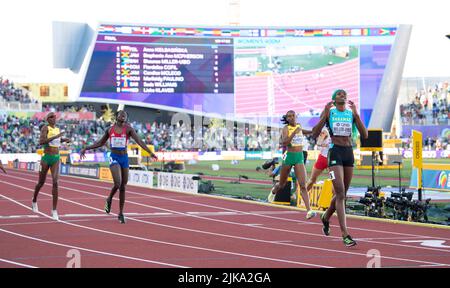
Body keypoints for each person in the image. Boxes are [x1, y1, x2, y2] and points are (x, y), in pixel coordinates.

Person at [312, 89, 368, 247]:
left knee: (342, 193)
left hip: (348, 153)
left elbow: (365, 135)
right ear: (334, 99)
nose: (342, 95)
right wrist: (324, 115)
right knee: (341, 193)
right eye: (339, 94)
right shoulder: (330, 113)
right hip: (334, 153)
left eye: (344, 94)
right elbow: (315, 133)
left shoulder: (351, 113)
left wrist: (357, 115)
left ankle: (326, 217)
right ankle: (345, 234)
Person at [80, 110, 157, 224]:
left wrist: (150, 153)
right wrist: (87, 148)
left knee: (123, 187)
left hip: (124, 158)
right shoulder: (109, 129)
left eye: (125, 115)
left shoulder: (129, 129)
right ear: (116, 117)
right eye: (121, 115)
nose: (123, 117)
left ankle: (120, 213)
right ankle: (109, 198)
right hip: (114, 157)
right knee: (118, 183)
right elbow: (100, 143)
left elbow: (139, 141)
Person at [268, 110, 316, 219]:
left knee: (303, 185)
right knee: (282, 184)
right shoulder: (286, 129)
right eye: (289, 116)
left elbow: (303, 131)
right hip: (289, 156)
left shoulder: (299, 126)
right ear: (287, 118)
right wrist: (294, 132)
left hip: (299, 157)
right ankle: (274, 191)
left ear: (296, 116)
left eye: (293, 115)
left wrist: (314, 130)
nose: (291, 117)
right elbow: (284, 142)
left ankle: (309, 210)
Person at [32, 112, 70, 220]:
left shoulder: (57, 129)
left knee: (55, 182)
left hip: (56, 158)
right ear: (48, 119)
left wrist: (64, 140)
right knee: (41, 183)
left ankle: (54, 210)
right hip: (46, 158)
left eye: (55, 117)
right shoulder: (45, 128)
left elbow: (57, 140)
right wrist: (56, 136)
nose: (54, 118)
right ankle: (34, 200)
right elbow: (41, 141)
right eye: (52, 117)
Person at [306, 128, 331, 192]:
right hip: (324, 159)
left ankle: (334, 200)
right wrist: (327, 145)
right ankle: (303, 196)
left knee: (334, 180)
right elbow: (319, 143)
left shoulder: (337, 131)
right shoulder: (325, 130)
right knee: (312, 180)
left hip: (331, 161)